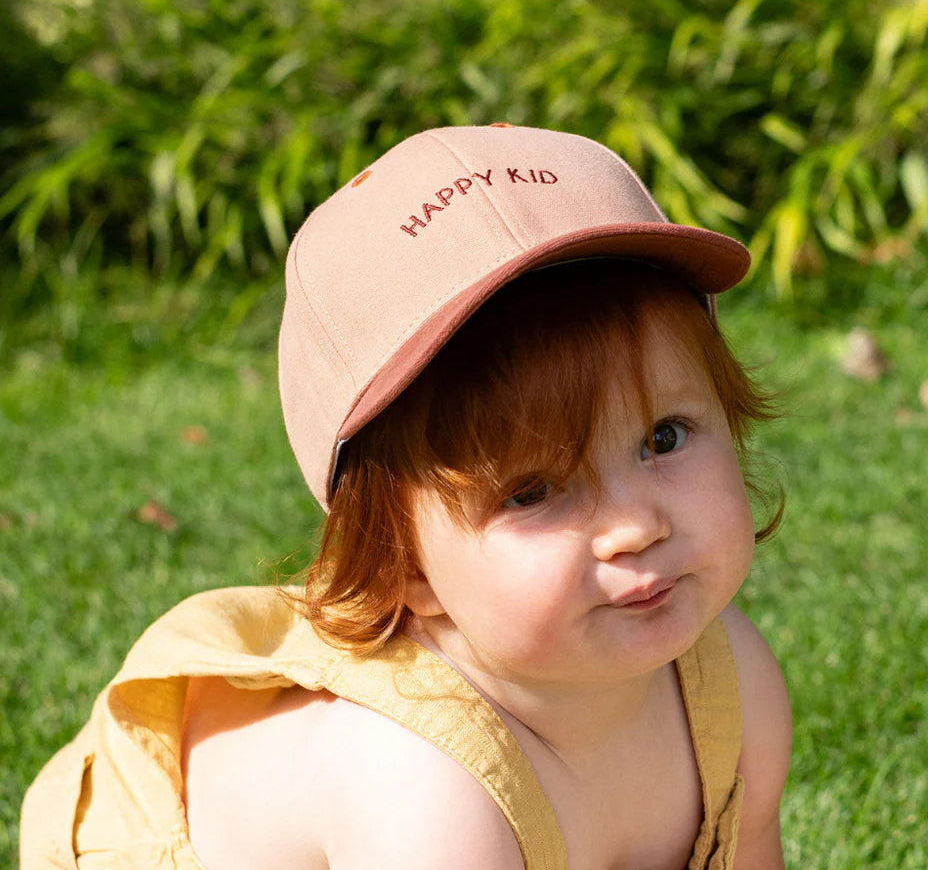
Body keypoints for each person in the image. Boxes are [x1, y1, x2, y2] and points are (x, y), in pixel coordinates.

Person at [22, 124, 792, 869]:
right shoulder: (425, 798)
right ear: (403, 567)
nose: (633, 525)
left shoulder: (732, 684)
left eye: (664, 438)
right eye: (532, 491)